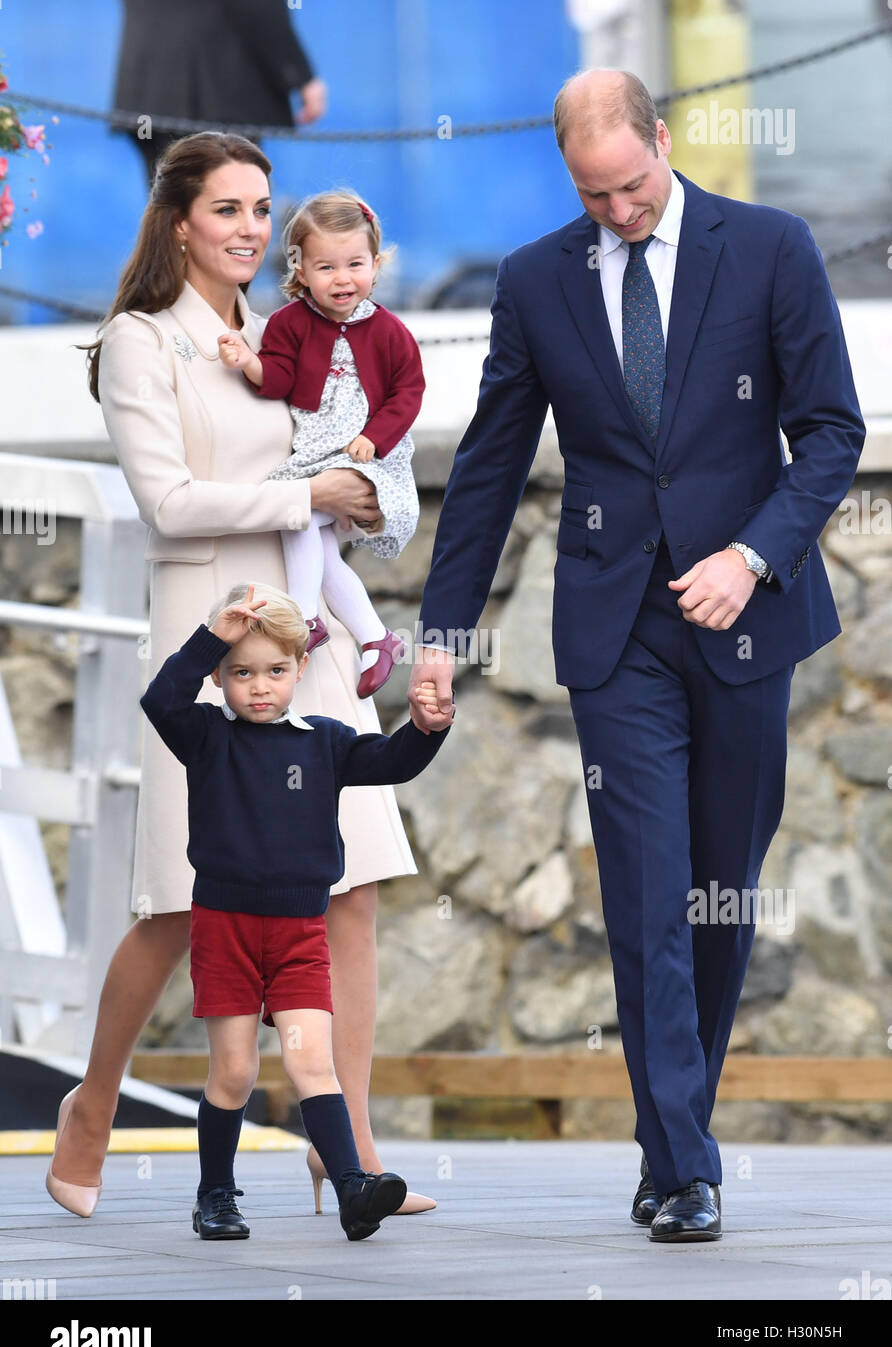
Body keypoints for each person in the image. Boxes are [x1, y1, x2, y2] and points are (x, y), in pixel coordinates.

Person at [409, 69, 865, 1242]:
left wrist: (753, 558)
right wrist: (442, 636)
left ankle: (677, 1142)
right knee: (650, 896)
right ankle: (686, 1164)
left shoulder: (770, 246)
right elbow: (490, 468)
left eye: (630, 186)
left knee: (720, 898)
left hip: (745, 617)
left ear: (663, 141)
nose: (616, 211)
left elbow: (829, 433)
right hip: (617, 634)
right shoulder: (533, 281)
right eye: (591, 194)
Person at [46, 131, 438, 1222]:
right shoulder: (139, 341)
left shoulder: (285, 332)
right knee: (181, 901)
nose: (253, 230)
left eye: (263, 209)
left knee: (350, 884)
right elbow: (167, 503)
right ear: (180, 223)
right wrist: (305, 500)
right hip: (209, 630)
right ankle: (92, 1106)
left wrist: (358, 497)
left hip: (304, 624)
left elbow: (338, 458)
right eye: (228, 209)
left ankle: (344, 1148)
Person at [139, 581, 450, 1240]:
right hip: (225, 932)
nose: (259, 686)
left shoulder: (325, 742)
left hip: (299, 936)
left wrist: (426, 729)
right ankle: (216, 1195)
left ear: (299, 670)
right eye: (241, 672)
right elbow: (159, 697)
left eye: (276, 671)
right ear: (220, 675)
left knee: (314, 1063)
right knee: (235, 1071)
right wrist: (210, 637)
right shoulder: (203, 736)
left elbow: (393, 761)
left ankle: (352, 1189)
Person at [218, 189, 423, 698]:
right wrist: (249, 363)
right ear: (301, 270)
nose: (342, 278)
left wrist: (374, 439)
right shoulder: (290, 323)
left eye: (355, 264)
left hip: (370, 454)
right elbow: (281, 377)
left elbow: (408, 391)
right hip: (314, 452)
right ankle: (377, 638)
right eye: (326, 267)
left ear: (375, 265)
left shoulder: (390, 331)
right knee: (318, 542)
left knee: (302, 515)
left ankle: (305, 616)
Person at [112, 0, 327, 182]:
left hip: (145, 94)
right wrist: (299, 75)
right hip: (212, 95)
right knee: (226, 213)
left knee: (170, 216)